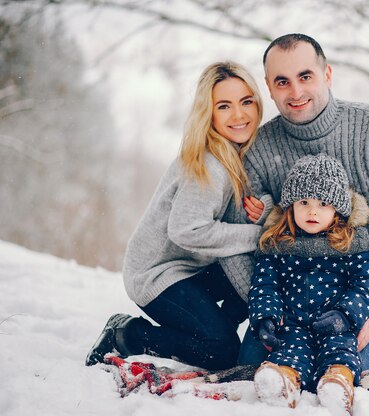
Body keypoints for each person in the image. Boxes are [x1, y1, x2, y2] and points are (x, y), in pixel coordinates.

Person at [222, 33, 369, 374]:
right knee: (253, 376)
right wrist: (268, 312)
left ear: (327, 75)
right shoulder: (256, 148)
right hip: (291, 285)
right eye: (282, 82)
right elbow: (233, 236)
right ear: (269, 89)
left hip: (368, 281)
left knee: (356, 376)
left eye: (306, 77)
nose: (296, 92)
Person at [85, 61, 268, 370]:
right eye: (224, 106)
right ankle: (126, 334)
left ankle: (204, 331)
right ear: (208, 113)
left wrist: (265, 212)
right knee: (222, 352)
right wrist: (257, 235)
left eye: (246, 101)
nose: (239, 115)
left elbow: (254, 195)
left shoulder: (236, 151)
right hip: (156, 274)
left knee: (260, 275)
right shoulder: (210, 163)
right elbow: (187, 230)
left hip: (194, 268)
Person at [249, 154, 369, 413]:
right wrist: (265, 317)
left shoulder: (351, 244)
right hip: (293, 323)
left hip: (335, 323)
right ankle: (283, 379)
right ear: (291, 206)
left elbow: (366, 283)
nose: (312, 211)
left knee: (340, 351)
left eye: (323, 203)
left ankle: (338, 381)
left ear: (337, 209)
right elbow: (265, 285)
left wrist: (345, 315)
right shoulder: (277, 245)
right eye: (304, 202)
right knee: (287, 352)